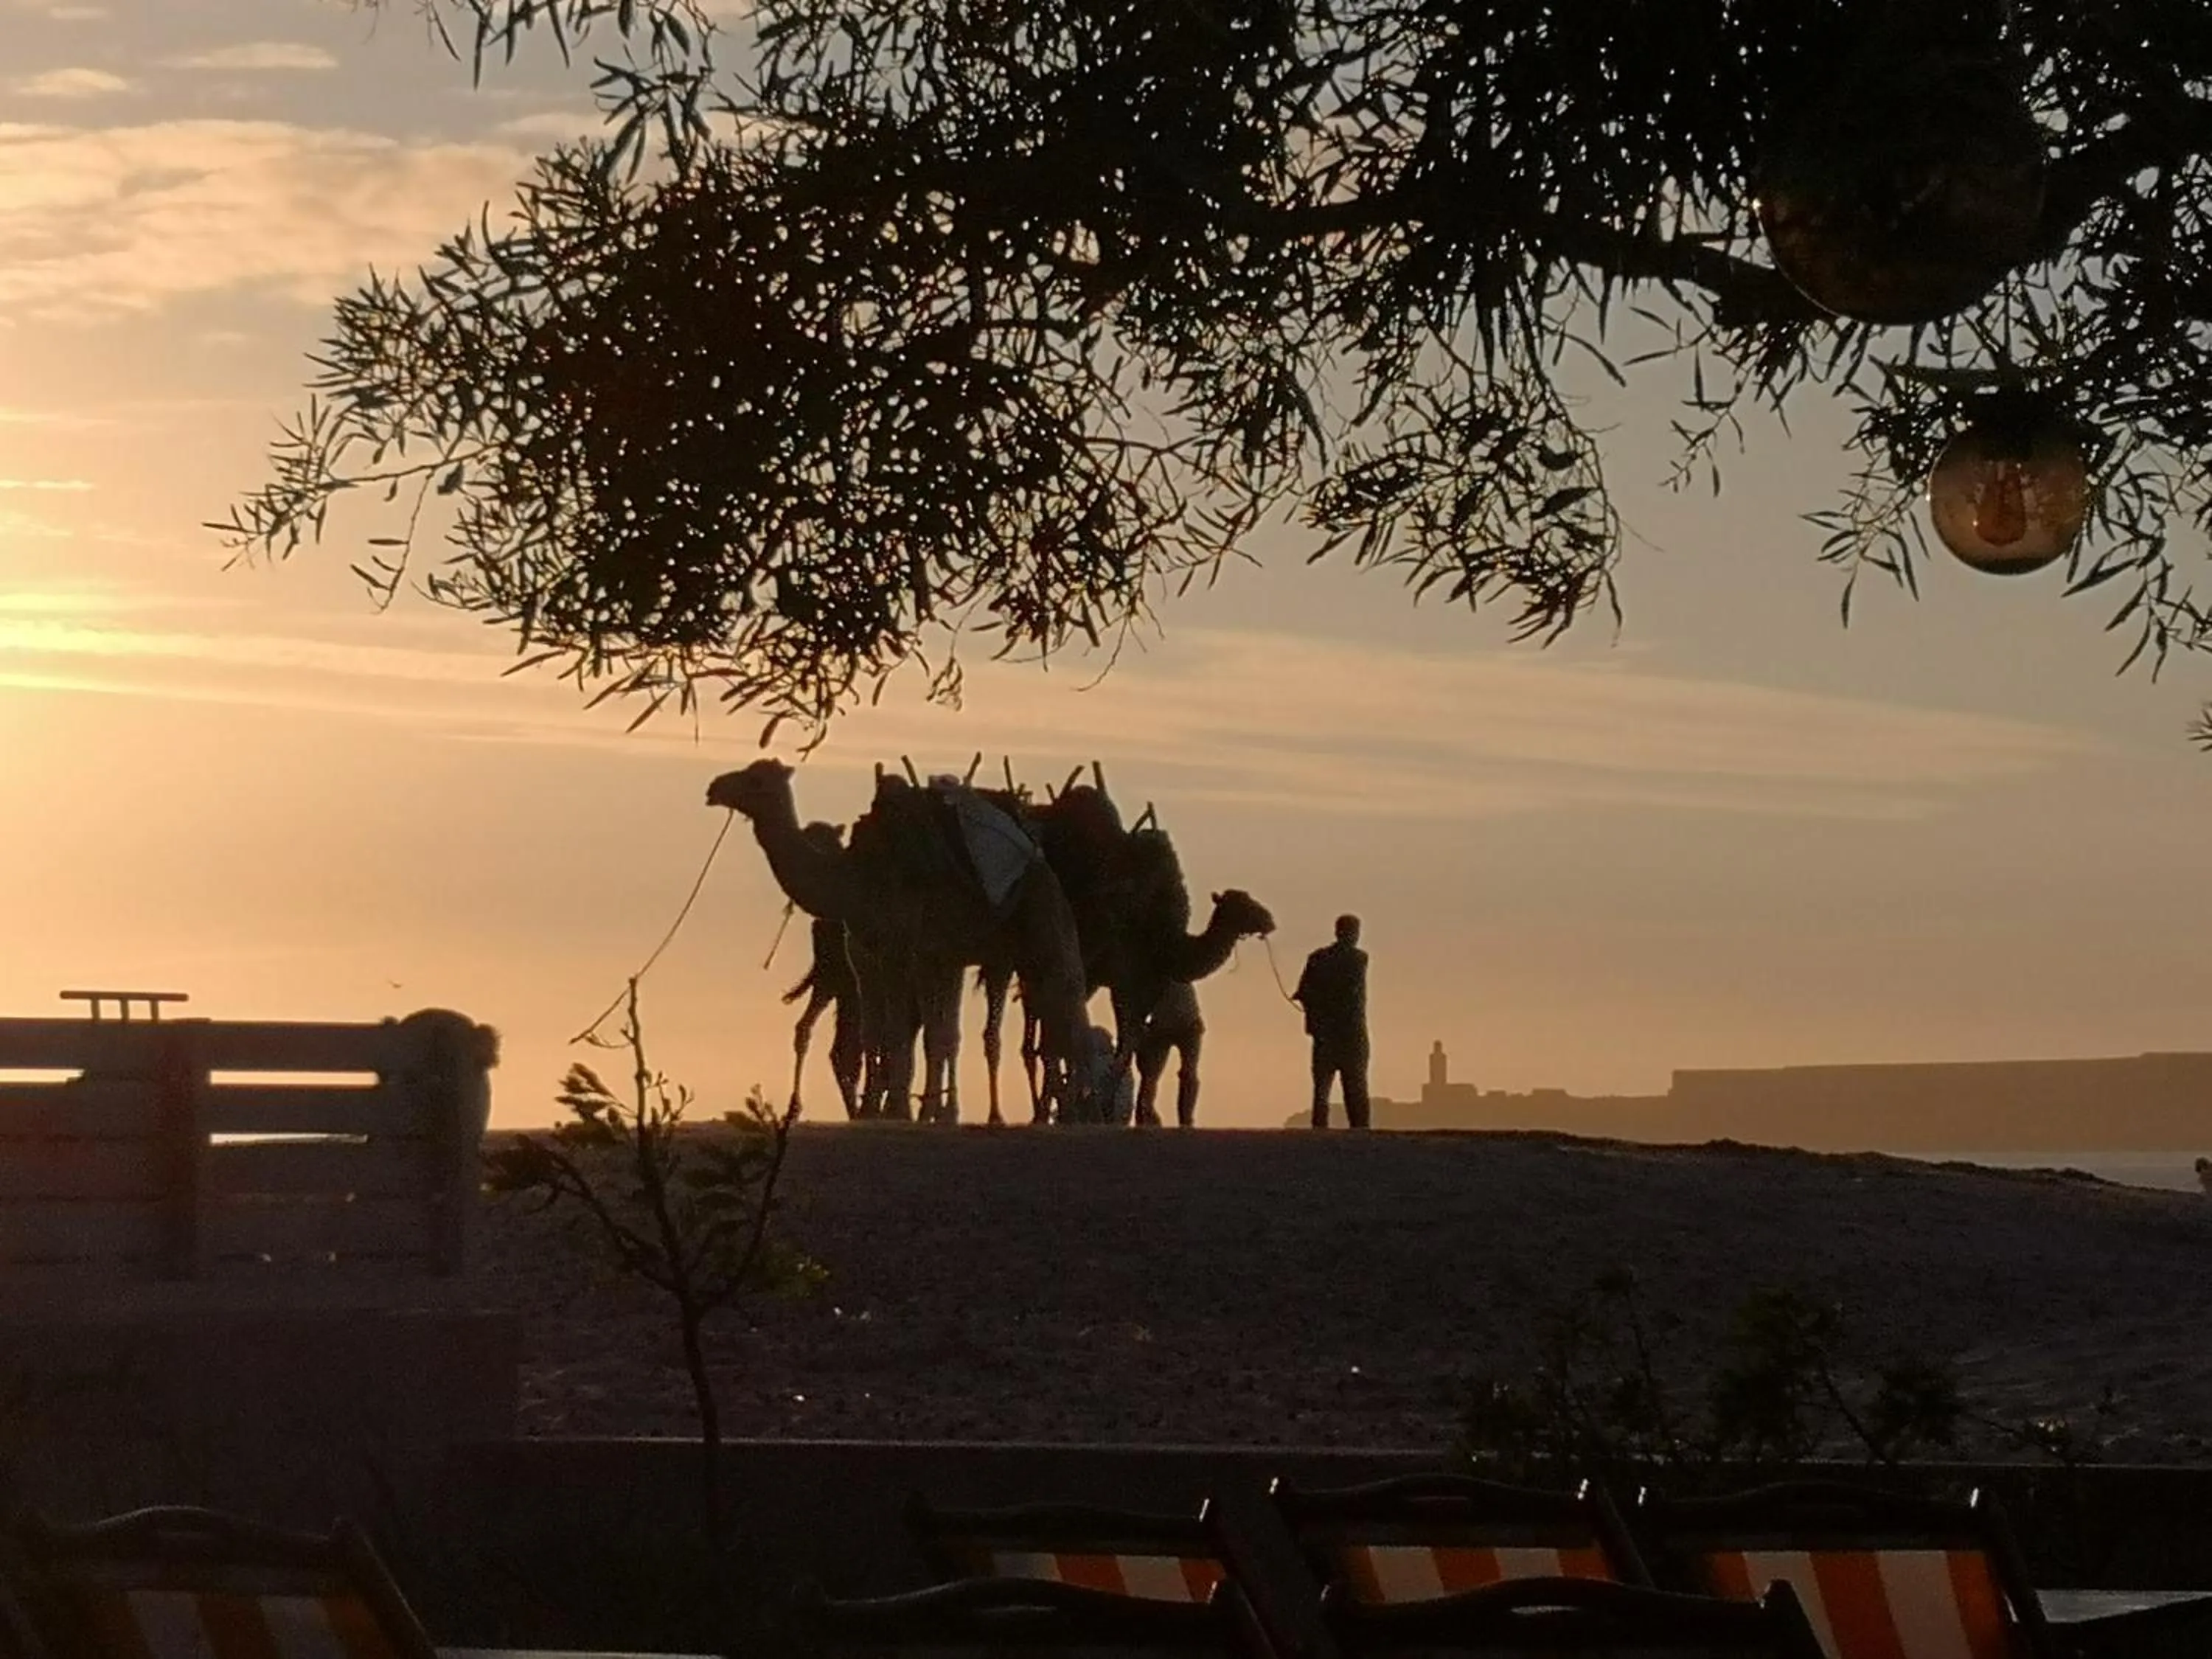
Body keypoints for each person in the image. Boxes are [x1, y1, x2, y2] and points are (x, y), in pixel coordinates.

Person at [1293, 914, 1370, 1129]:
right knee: (1355, 1089)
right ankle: (1360, 1132)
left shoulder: (1317, 959)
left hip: (1325, 1035)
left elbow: (1304, 992)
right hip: (1352, 1035)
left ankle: (1320, 1130)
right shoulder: (1359, 959)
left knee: (1322, 1090)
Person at [1133, 981, 1204, 1128]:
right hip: (1164, 1026)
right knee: (1150, 1076)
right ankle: (1146, 1116)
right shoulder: (1151, 975)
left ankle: (1186, 1121)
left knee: (1188, 1073)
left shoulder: (1176, 968)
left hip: (1187, 1023)